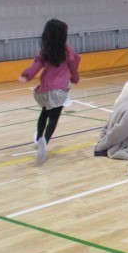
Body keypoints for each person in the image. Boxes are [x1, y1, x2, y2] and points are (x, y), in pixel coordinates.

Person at [18, 19, 80, 164]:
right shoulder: (67, 50)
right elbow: (74, 66)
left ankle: (39, 137)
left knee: (44, 113)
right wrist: (75, 78)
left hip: (45, 90)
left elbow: (35, 66)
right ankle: (45, 141)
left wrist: (26, 76)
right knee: (54, 117)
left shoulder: (45, 52)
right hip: (60, 91)